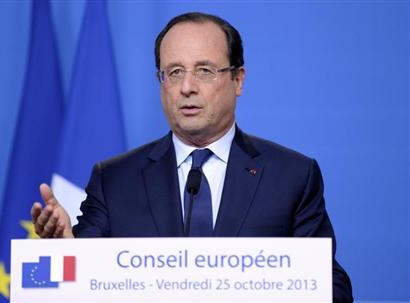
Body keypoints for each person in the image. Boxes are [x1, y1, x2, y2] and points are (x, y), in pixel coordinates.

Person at [31, 12, 353, 302]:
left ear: (237, 80)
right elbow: (81, 280)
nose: (186, 87)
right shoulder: (114, 180)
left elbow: (332, 288)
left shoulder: (292, 176)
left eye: (204, 71)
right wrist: (65, 255)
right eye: (173, 72)